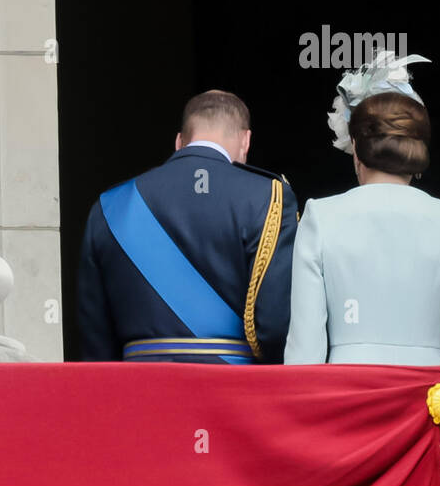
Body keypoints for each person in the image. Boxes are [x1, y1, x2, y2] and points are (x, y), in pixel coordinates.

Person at [285, 53, 440, 365]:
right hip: (432, 396)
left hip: (348, 390)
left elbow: (305, 346)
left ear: (355, 147)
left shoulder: (320, 217)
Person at [77, 90, 297, 363]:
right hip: (233, 388)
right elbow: (274, 326)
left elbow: (94, 336)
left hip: (139, 389)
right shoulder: (268, 198)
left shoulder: (111, 205)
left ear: (179, 141)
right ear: (246, 141)